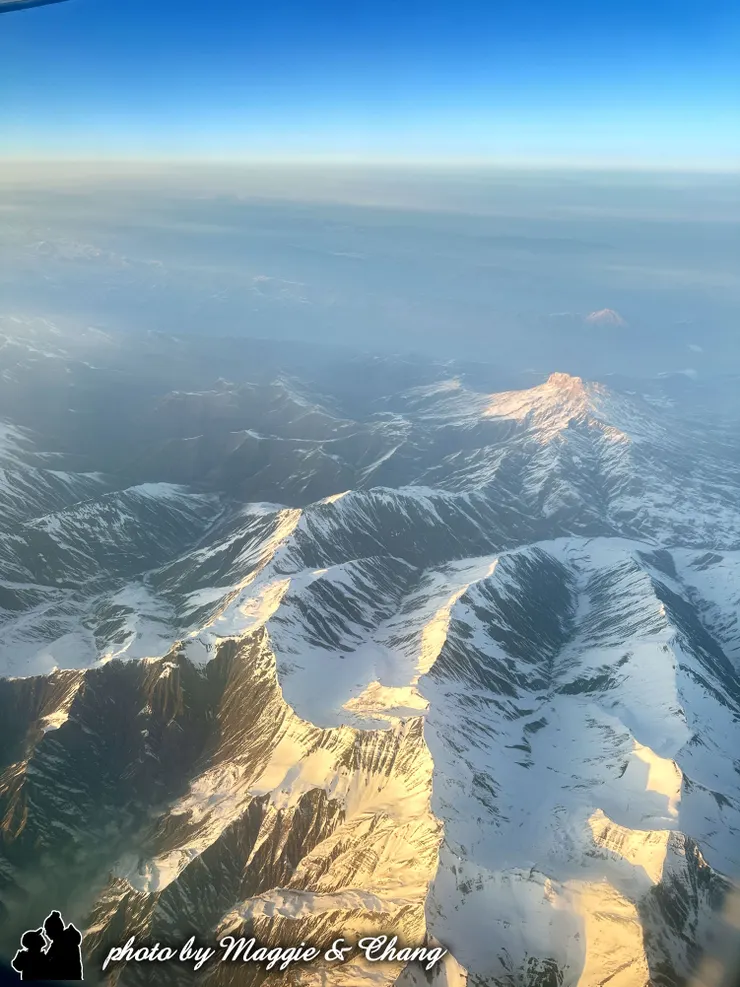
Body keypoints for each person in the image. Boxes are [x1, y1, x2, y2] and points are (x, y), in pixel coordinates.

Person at [41, 912, 83, 981]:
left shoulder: (64, 943)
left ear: (54, 930)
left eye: (47, 930)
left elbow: (59, 966)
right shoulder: (60, 942)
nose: (46, 933)